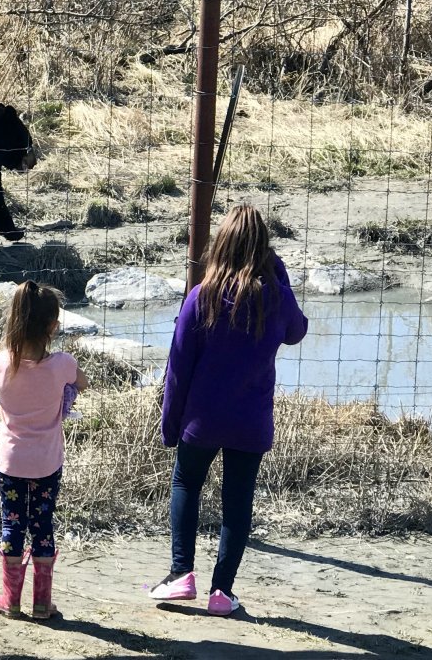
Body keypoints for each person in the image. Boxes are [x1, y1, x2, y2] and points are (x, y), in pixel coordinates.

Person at [151, 204, 308, 615]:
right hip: (250, 422)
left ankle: (180, 574)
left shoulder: (201, 297)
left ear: (220, 244)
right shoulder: (274, 296)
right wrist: (279, 273)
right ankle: (222, 592)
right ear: (264, 250)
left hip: (201, 420)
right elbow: (297, 331)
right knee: (237, 501)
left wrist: (171, 424)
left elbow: (177, 368)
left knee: (186, 484)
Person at [0, 280, 89, 619]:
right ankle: (43, 603)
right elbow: (82, 382)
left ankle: (11, 600)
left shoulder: (1, 362)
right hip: (47, 462)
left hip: (10, 460)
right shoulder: (62, 364)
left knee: (12, 525)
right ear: (53, 326)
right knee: (42, 525)